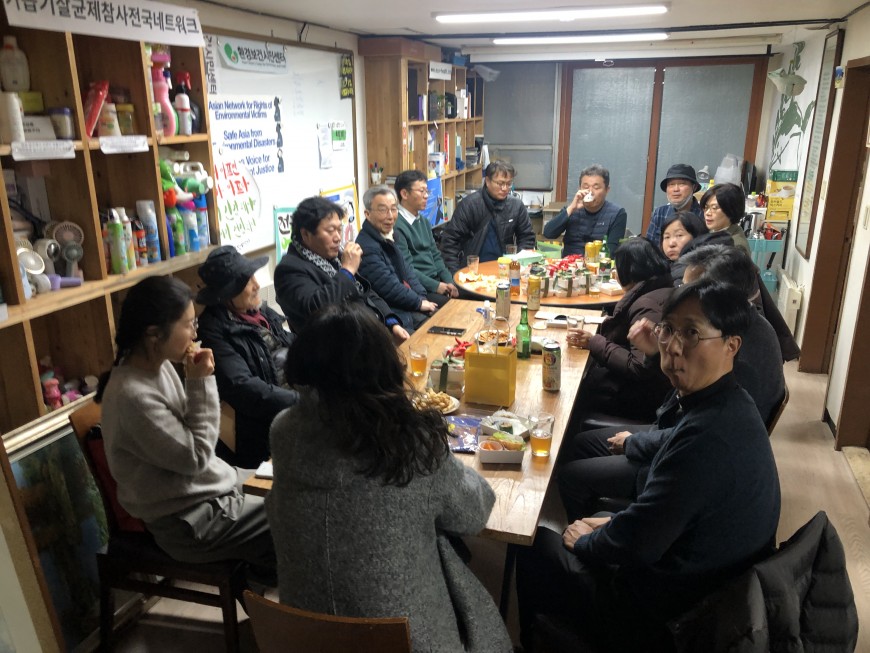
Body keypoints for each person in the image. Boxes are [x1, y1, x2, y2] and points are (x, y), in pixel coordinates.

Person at [518, 279, 781, 652]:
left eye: (692, 333)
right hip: (707, 578)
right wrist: (609, 524)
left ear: (731, 345)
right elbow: (660, 517)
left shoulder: (706, 441)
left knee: (533, 544)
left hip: (675, 616)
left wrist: (589, 541)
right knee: (590, 521)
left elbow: (639, 545)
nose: (673, 346)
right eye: (668, 329)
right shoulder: (728, 403)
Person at [267, 301, 511, 651]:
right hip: (404, 641)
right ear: (385, 368)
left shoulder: (284, 431)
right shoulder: (411, 440)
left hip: (303, 633)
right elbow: (474, 514)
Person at [559, 245, 786, 521]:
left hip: (683, 460)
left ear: (721, 296)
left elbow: (700, 434)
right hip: (674, 431)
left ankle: (586, 525)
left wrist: (634, 443)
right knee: (580, 443)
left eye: (689, 291)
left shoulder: (735, 355)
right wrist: (656, 352)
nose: (678, 297)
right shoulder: (739, 326)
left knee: (571, 474)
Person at [95, 276, 276, 586]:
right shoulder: (132, 396)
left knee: (290, 486)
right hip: (191, 520)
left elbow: (195, 442)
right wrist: (200, 381)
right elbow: (197, 456)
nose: (195, 333)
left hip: (212, 489)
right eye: (189, 324)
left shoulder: (159, 366)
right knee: (295, 516)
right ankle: (262, 592)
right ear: (154, 334)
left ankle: (262, 583)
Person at [196, 245, 298, 469]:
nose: (256, 285)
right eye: (246, 281)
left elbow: (295, 343)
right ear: (227, 295)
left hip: (293, 405)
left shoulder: (259, 313)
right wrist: (300, 402)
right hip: (264, 429)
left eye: (253, 276)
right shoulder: (214, 331)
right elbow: (243, 387)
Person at [274, 195, 409, 341]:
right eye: (330, 230)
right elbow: (317, 309)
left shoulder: (334, 256)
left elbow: (365, 292)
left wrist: (390, 321)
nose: (338, 237)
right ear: (306, 234)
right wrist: (347, 271)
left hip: (372, 332)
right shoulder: (288, 269)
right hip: (339, 347)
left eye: (339, 229)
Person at [567, 238, 674, 422]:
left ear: (628, 270)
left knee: (573, 389)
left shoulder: (646, 305)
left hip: (638, 399)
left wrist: (594, 342)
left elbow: (638, 366)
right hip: (649, 393)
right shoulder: (660, 288)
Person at [355, 185, 438, 331]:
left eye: (393, 209)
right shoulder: (366, 247)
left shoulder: (389, 235)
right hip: (392, 315)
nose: (390, 216)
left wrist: (422, 298)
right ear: (367, 214)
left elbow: (408, 271)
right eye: (383, 210)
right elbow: (388, 287)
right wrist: (418, 303)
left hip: (407, 305)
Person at [439, 160, 536, 272]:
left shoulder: (516, 205)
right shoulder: (469, 205)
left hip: (504, 269)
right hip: (473, 270)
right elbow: (450, 242)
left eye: (509, 184)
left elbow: (527, 238)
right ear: (487, 181)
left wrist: (518, 264)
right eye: (500, 184)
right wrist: (455, 274)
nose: (505, 188)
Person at [394, 169, 458, 305]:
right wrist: (436, 286)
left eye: (427, 191)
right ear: (404, 194)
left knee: (469, 295)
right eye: (421, 191)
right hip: (420, 288)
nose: (426, 196)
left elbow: (436, 255)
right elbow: (407, 269)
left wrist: (449, 282)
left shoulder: (423, 221)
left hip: (436, 280)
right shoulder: (397, 225)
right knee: (456, 306)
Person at [543, 164, 627, 256]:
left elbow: (612, 251)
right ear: (579, 189)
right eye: (586, 187)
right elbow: (548, 234)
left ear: (607, 190)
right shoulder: (571, 209)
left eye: (596, 188)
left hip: (598, 263)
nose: (590, 192)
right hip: (569, 262)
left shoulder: (617, 214)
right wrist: (571, 208)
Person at [645, 163, 703, 244]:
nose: (676, 189)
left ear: (694, 187)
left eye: (682, 184)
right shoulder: (660, 213)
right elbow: (649, 246)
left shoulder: (704, 214)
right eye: (671, 184)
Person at [700, 182, 751, 254]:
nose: (707, 213)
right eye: (706, 207)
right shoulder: (714, 231)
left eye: (714, 208)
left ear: (731, 210)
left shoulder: (736, 247)